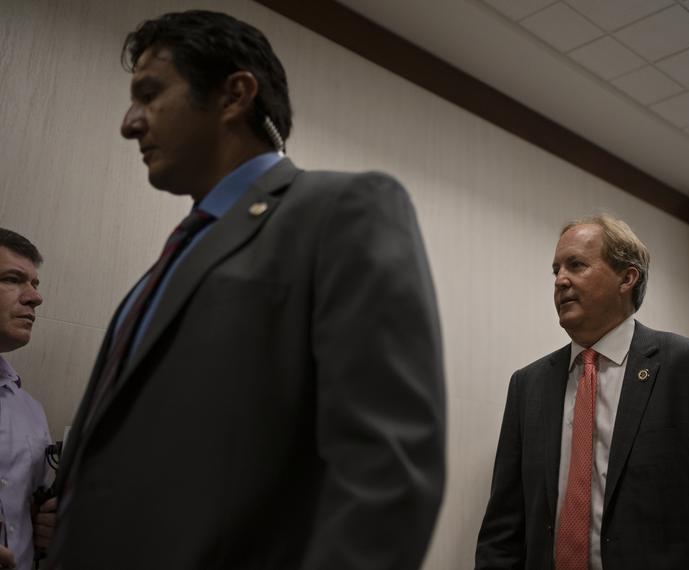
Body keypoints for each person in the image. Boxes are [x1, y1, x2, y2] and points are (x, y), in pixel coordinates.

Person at [48, 10, 445, 570]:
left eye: (150, 93)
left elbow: (386, 472)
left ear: (234, 95)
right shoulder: (165, 267)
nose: (129, 122)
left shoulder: (341, 210)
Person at [475, 215, 689, 569]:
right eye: (556, 270)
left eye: (576, 265)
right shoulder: (527, 386)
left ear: (627, 277)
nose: (561, 280)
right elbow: (503, 528)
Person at [0, 228, 56, 570]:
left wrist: (46, 527)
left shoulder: (31, 412)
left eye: (35, 284)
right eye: (13, 279)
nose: (35, 297)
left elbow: (27, 512)